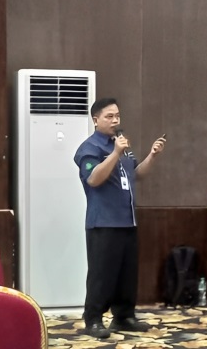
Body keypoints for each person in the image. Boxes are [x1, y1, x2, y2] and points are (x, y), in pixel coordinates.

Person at [74, 98, 165, 339]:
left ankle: (123, 316)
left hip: (128, 220)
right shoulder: (89, 148)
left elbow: (136, 174)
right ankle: (93, 319)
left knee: (127, 273)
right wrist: (115, 152)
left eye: (117, 116)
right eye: (109, 116)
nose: (115, 120)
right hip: (103, 221)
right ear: (96, 120)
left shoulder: (122, 144)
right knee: (101, 274)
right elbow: (94, 179)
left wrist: (152, 156)